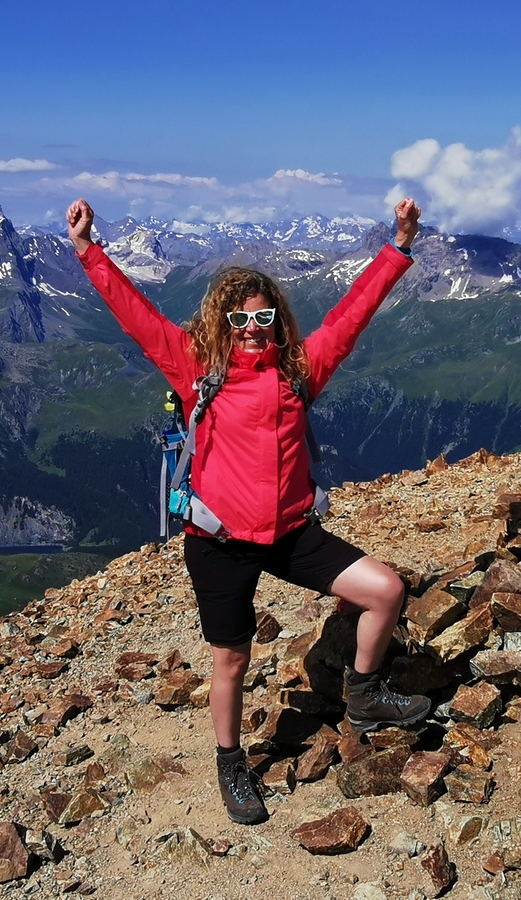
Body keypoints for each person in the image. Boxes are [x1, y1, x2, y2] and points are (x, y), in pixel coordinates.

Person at [66, 196, 431, 825]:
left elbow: (353, 314)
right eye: (240, 319)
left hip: (291, 534)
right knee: (231, 658)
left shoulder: (300, 370)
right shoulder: (195, 370)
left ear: (277, 318)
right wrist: (87, 251)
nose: (254, 328)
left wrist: (398, 247)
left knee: (385, 590)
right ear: (221, 323)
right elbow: (138, 317)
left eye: (263, 317)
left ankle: (364, 695)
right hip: (218, 542)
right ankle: (231, 761)